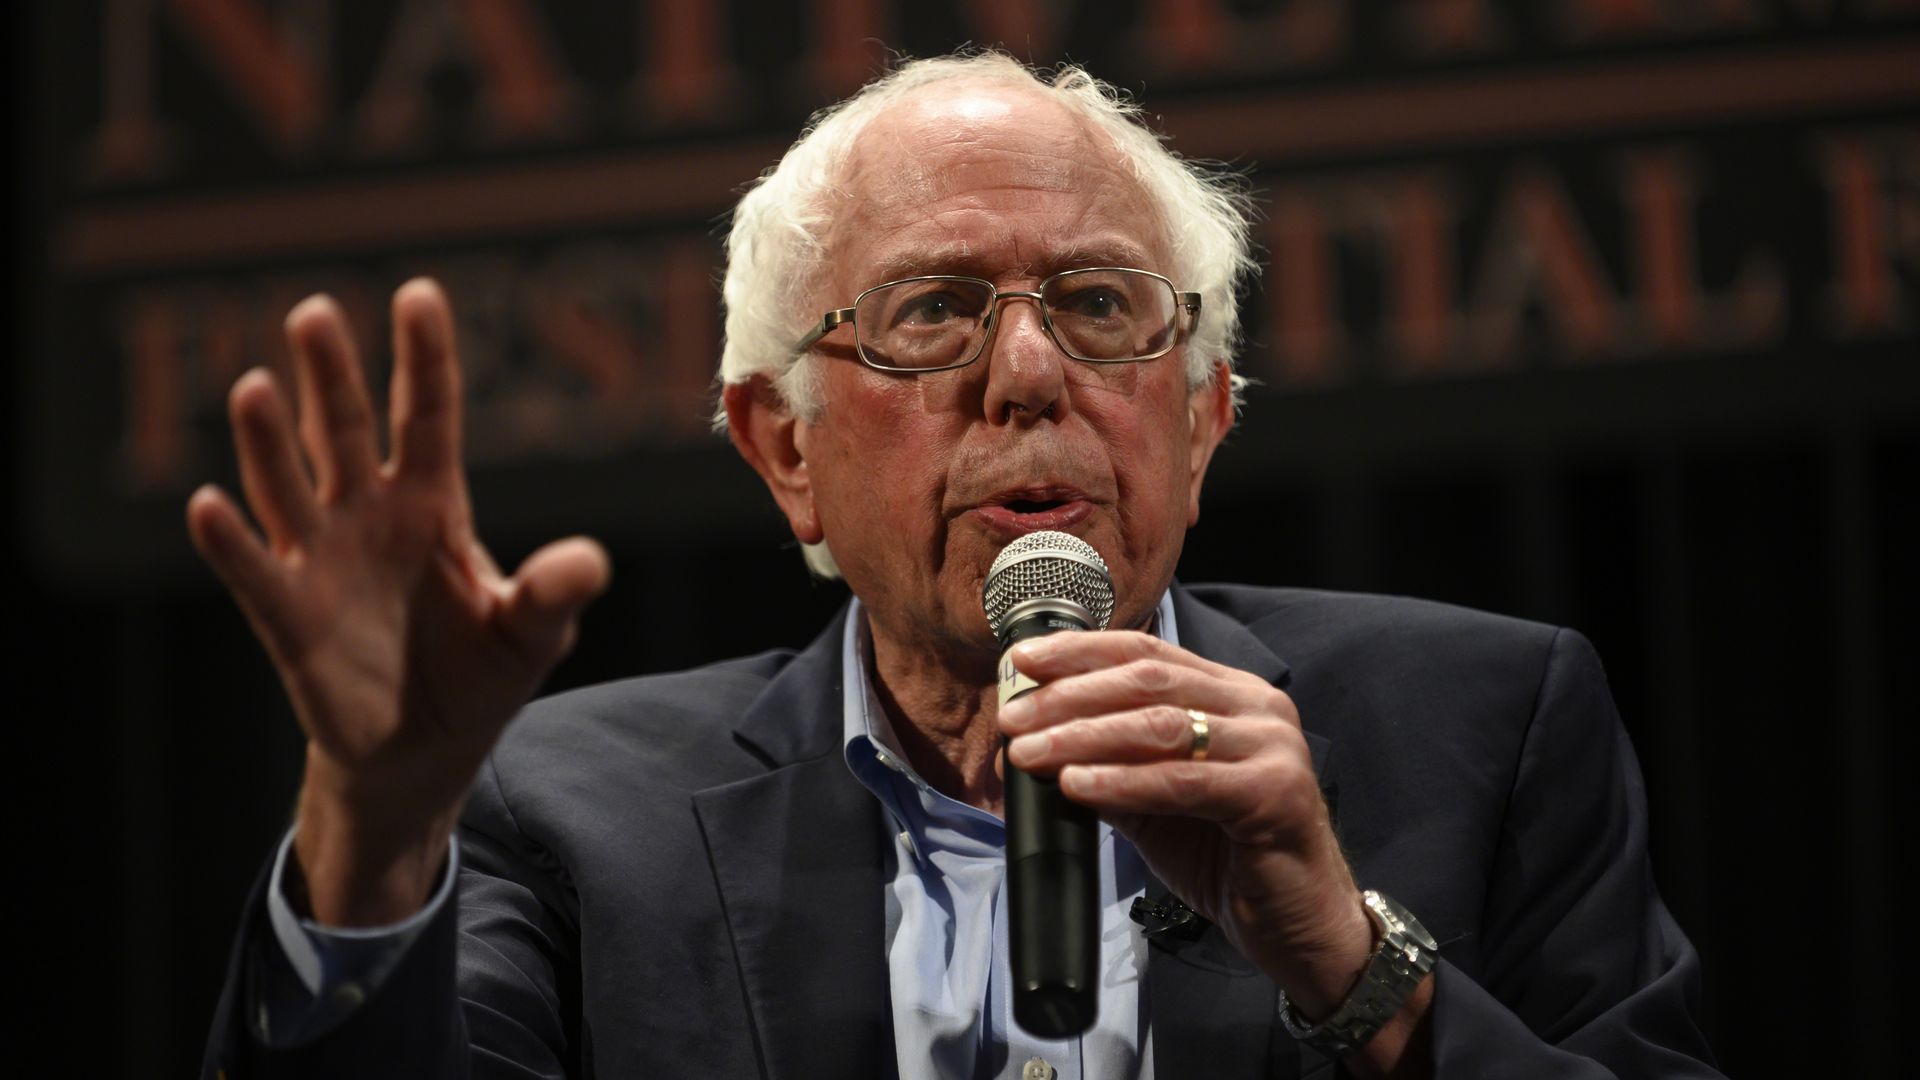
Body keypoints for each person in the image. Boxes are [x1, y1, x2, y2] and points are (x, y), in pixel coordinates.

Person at [195, 52, 1720, 1079]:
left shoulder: (1489, 722)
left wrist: (1354, 969)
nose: (1029, 373)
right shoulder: (567, 812)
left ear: (1201, 423)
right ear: (780, 448)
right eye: (932, 310)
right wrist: (372, 836)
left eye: (1102, 305)